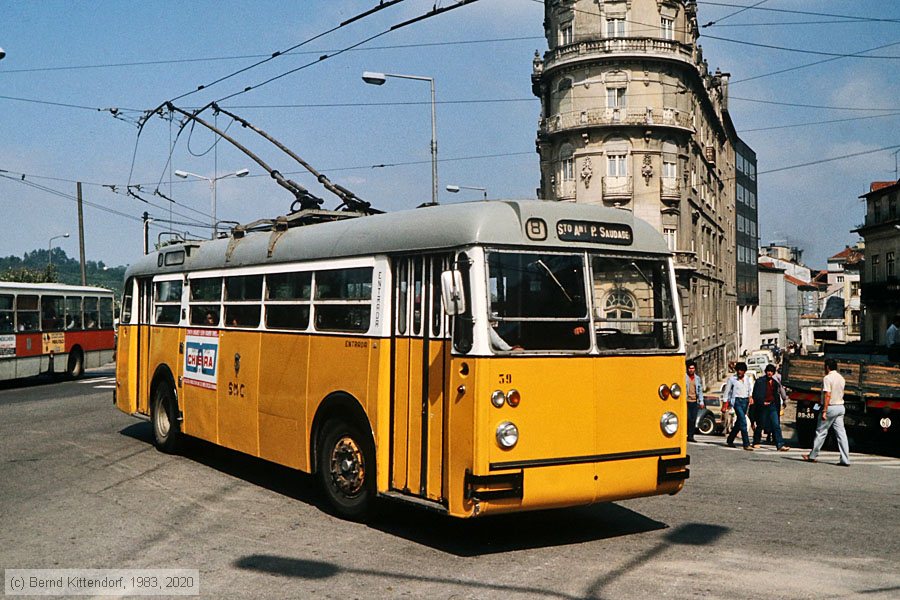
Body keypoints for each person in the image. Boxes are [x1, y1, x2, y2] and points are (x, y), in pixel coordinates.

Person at [803, 358, 850, 466]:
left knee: (821, 432)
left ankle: (812, 455)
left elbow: (827, 394)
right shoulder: (841, 378)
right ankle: (845, 459)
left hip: (831, 407)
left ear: (827, 367)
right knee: (841, 434)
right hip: (840, 407)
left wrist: (824, 410)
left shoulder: (827, 378)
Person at [751, 364, 790, 451]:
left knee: (776, 425)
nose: (769, 373)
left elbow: (777, 394)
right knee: (760, 424)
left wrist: (780, 404)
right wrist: (761, 402)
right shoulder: (760, 381)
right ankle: (756, 441)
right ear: (766, 372)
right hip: (762, 406)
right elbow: (756, 394)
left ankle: (780, 444)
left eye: (771, 372)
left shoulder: (775, 383)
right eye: (768, 371)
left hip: (772, 406)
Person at [724, 362, 755, 451]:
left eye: (741, 370)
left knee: (739, 422)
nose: (739, 372)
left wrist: (750, 397)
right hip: (736, 400)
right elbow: (727, 391)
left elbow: (749, 389)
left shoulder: (747, 378)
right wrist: (725, 403)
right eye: (738, 370)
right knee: (743, 421)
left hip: (745, 401)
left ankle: (730, 439)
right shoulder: (732, 379)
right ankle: (746, 443)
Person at [685, 360, 704, 442]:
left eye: (692, 368)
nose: (691, 370)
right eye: (689, 368)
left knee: (693, 419)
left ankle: (691, 436)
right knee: (688, 418)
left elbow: (700, 390)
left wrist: (701, 401)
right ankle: (685, 434)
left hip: (694, 402)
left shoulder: (697, 378)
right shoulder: (684, 377)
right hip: (686, 401)